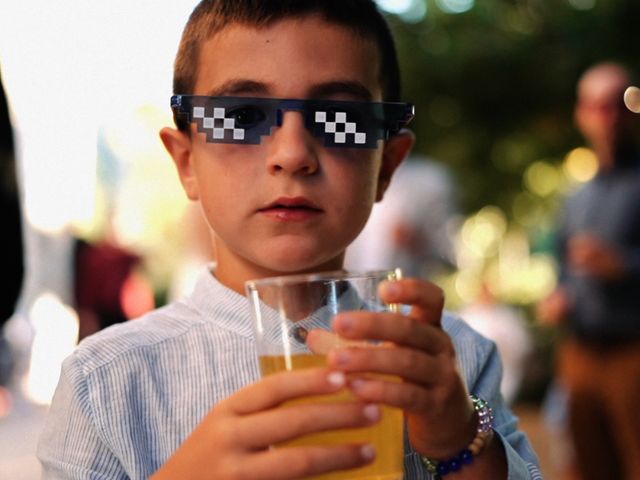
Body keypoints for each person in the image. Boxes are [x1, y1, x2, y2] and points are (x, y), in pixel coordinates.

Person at [37, 1, 541, 478]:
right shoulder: (104, 383)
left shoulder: (453, 360)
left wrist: (459, 441)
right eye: (241, 116)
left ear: (386, 165)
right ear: (186, 162)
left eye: (339, 120)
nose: (293, 153)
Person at [537, 62, 640, 480]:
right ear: (582, 115)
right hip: (580, 352)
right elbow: (563, 266)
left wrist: (625, 266)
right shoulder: (576, 197)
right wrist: (559, 296)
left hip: (633, 351)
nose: (608, 116)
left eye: (618, 104)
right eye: (597, 106)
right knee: (584, 465)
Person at [345, 154, 457, 279]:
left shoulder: (432, 180)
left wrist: (417, 241)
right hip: (352, 291)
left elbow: (452, 250)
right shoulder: (345, 178)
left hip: (412, 288)